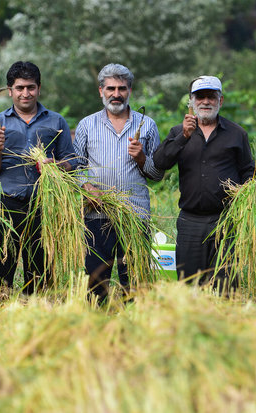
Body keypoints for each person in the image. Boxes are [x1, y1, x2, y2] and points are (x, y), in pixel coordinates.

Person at [153, 75, 255, 293]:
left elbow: (249, 171)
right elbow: (160, 163)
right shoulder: (177, 132)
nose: (205, 101)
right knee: (189, 287)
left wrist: (248, 196)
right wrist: (184, 136)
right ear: (191, 101)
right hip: (191, 221)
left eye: (211, 96)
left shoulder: (237, 134)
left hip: (226, 222)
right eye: (200, 97)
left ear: (221, 100)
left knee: (226, 285)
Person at [0, 61, 77, 294]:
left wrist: (56, 166)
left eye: (31, 87)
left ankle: (36, 317)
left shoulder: (56, 122)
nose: (26, 93)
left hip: (42, 206)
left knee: (39, 274)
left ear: (39, 88)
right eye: (20, 88)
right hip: (3, 206)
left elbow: (72, 162)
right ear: (10, 90)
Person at [74, 63, 164, 303]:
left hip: (134, 215)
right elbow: (76, 167)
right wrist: (86, 186)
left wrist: (141, 157)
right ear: (100, 90)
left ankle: (133, 327)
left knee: (134, 283)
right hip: (97, 215)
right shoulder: (87, 125)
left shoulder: (147, 125)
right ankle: (97, 327)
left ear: (130, 91)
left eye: (121, 88)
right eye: (110, 88)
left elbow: (157, 174)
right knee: (96, 281)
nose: (116, 94)